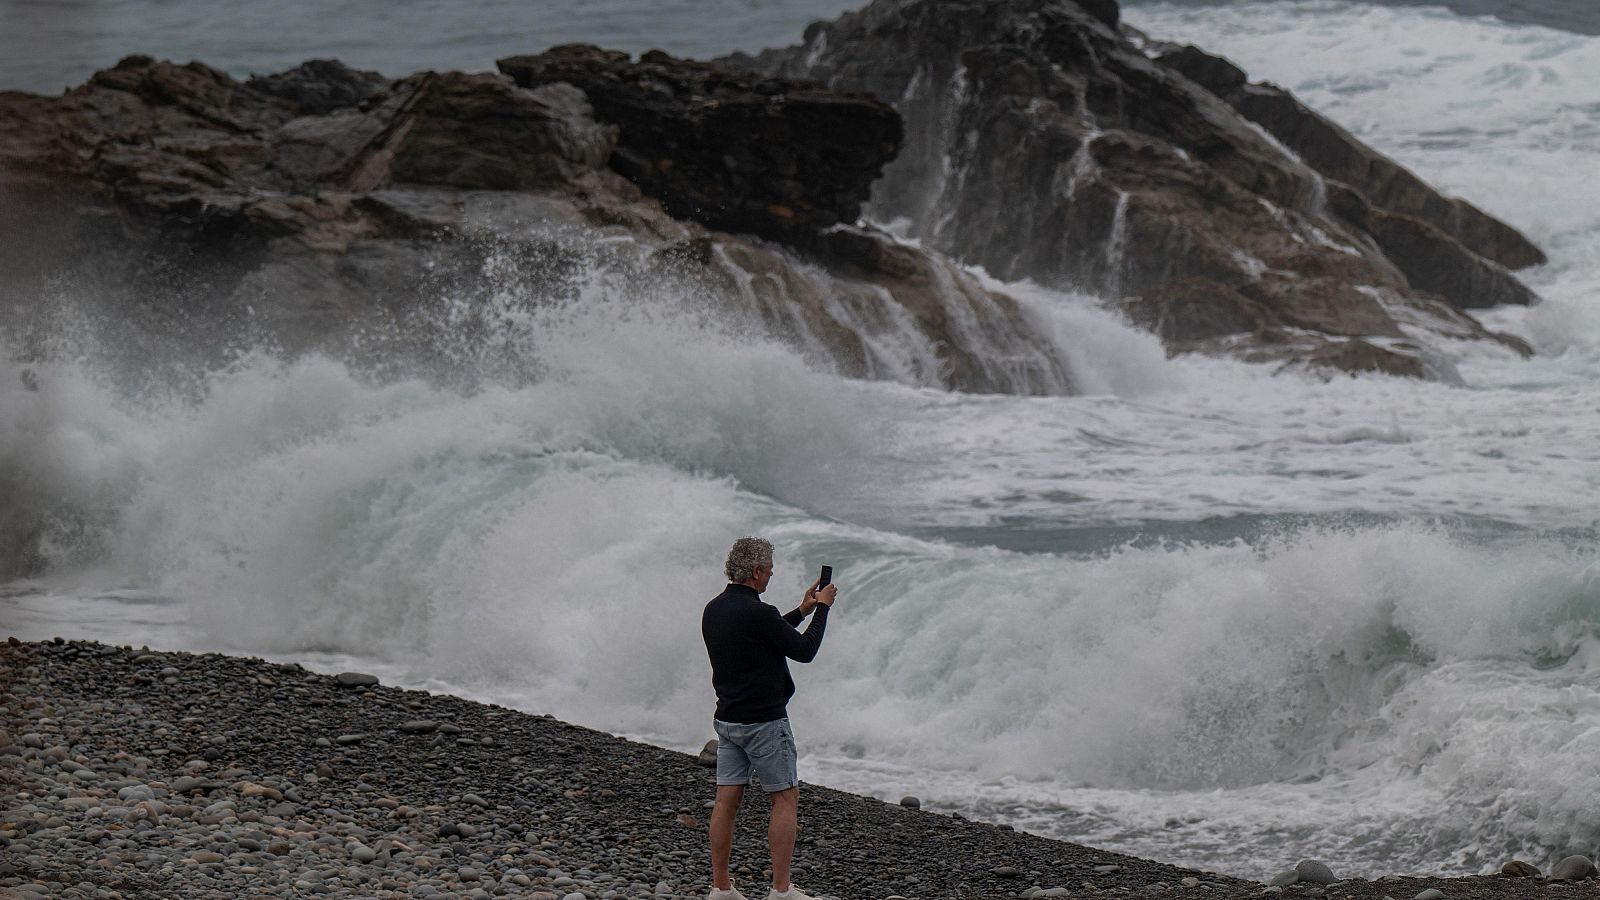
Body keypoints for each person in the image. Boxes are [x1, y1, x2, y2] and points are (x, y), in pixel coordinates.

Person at [701, 536, 837, 900]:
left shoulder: (714, 609)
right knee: (785, 798)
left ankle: (721, 887)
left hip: (728, 721)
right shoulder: (759, 613)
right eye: (770, 570)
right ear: (757, 571)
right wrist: (823, 608)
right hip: (764, 722)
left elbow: (766, 635)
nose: (771, 575)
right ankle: (780, 889)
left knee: (726, 799)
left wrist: (802, 610)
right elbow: (804, 651)